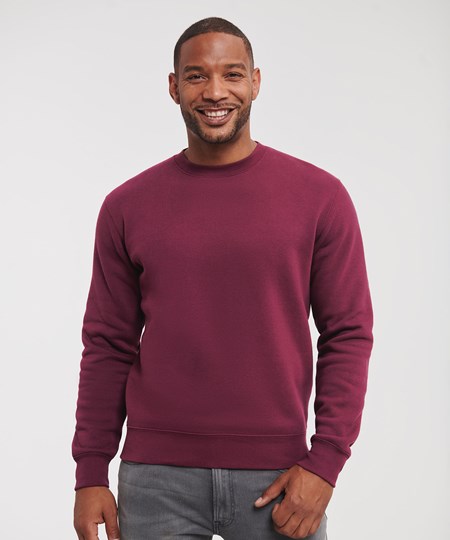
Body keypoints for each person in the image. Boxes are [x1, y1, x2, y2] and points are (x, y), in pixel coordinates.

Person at [72, 16, 374, 540]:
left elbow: (348, 333)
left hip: (280, 477)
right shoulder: (127, 206)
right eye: (197, 76)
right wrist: (90, 471)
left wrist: (326, 461)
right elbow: (107, 343)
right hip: (155, 479)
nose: (215, 92)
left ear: (255, 82)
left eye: (232, 74)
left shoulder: (320, 197)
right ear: (174, 87)